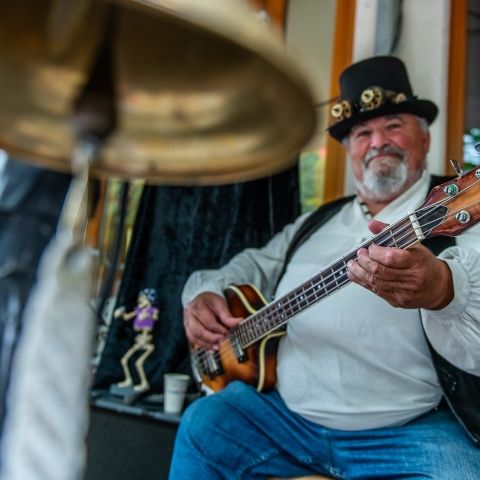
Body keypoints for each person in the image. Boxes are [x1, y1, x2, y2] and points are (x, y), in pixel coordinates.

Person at [169, 56, 480, 479]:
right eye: (362, 133)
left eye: (393, 126)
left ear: (425, 141)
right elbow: (252, 265)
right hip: (284, 420)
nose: (377, 142)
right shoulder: (315, 222)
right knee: (204, 423)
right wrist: (204, 295)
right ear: (350, 151)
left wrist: (444, 289)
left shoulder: (455, 212)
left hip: (406, 429)